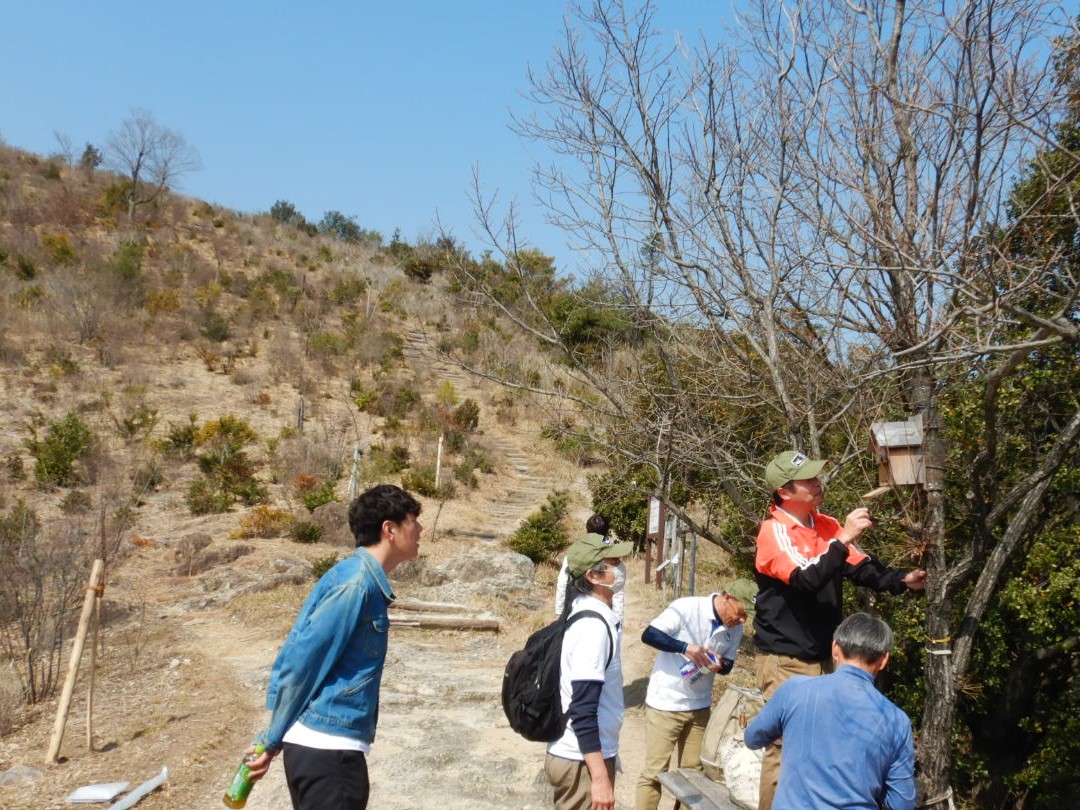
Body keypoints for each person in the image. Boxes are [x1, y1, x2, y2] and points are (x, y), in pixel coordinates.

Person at [753, 450, 926, 810]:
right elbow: (806, 579)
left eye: (818, 477)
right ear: (785, 492)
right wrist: (843, 538)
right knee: (784, 746)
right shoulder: (775, 532)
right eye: (809, 481)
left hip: (826, 655)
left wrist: (902, 580)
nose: (818, 485)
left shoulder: (827, 525)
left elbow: (862, 568)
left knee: (829, 741)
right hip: (787, 657)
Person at [240, 484, 423, 810]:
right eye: (413, 520)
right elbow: (302, 662)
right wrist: (270, 739)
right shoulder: (355, 585)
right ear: (389, 529)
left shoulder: (359, 578)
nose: (420, 529)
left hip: (330, 750)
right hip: (327, 753)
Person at [744, 612, 916, 810]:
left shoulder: (795, 689)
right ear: (884, 660)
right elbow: (902, 803)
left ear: (835, 648)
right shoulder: (897, 721)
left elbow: (752, 738)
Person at [635, 579, 757, 810]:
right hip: (666, 703)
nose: (742, 620)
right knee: (654, 773)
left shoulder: (736, 629)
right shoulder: (687, 607)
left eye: (746, 617)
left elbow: (729, 665)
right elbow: (649, 635)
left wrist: (719, 665)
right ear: (727, 597)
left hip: (700, 706)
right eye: (741, 613)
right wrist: (686, 648)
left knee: (694, 776)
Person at [546, 532, 635, 810]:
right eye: (613, 563)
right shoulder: (592, 628)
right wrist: (599, 777)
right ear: (593, 576)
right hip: (580, 761)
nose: (621, 568)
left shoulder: (591, 613)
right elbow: (583, 708)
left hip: (582, 755)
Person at [556, 514, 625, 623]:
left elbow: (562, 582)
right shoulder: (612, 553)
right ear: (607, 531)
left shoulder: (576, 550)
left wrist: (560, 612)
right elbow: (617, 591)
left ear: (587, 530)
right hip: (604, 611)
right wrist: (618, 621)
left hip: (575, 609)